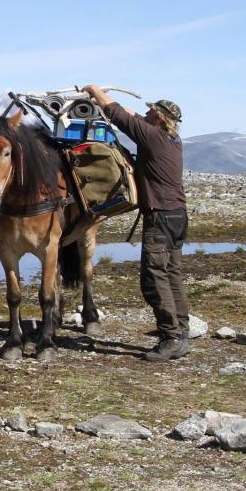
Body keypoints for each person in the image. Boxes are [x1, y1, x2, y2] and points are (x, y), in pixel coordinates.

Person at [81, 86, 190, 362]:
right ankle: (182, 334)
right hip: (177, 216)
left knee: (154, 279)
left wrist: (94, 89)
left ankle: (170, 337)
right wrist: (101, 98)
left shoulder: (152, 137)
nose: (145, 112)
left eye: (150, 111)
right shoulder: (171, 139)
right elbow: (131, 115)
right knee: (172, 275)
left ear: (157, 117)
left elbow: (118, 114)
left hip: (161, 217)